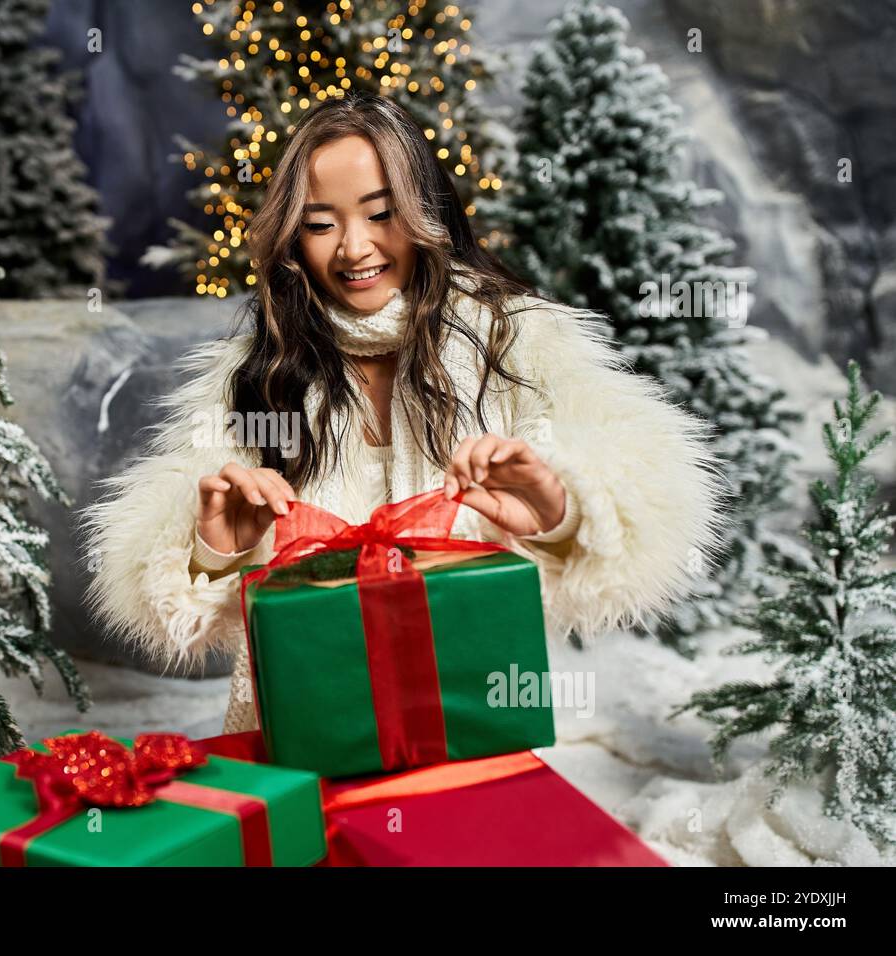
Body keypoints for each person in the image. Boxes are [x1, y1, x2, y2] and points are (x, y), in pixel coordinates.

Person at [78, 91, 725, 735]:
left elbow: (654, 499)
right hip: (302, 718)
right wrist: (213, 545)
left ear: (424, 211)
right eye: (321, 222)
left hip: (472, 713)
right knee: (307, 843)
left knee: (461, 836)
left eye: (381, 213)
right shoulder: (260, 371)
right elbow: (162, 588)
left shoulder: (517, 341)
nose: (354, 248)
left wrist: (561, 507)